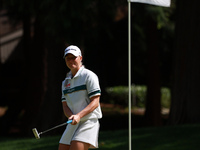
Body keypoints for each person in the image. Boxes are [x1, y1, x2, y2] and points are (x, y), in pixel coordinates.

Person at [58, 45, 102, 150]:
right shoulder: (65, 82)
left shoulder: (89, 76)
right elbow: (65, 105)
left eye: (74, 57)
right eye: (68, 58)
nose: (71, 60)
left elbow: (95, 102)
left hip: (88, 121)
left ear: (80, 58)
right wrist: (72, 116)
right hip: (74, 122)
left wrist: (79, 115)